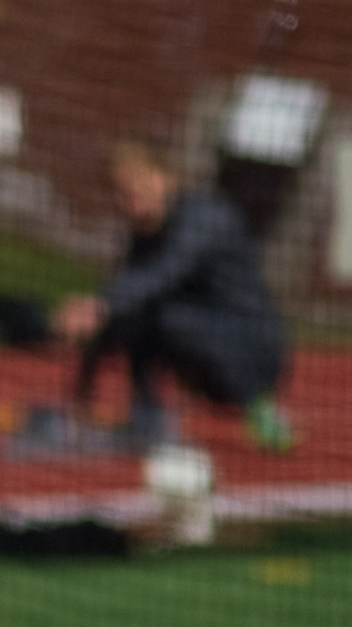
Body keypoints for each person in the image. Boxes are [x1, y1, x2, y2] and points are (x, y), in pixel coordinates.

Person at [52, 139, 293, 452]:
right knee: (132, 313)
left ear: (167, 177)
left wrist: (100, 306)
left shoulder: (204, 217)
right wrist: (80, 399)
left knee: (157, 314)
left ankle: (260, 408)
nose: (129, 196)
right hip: (199, 350)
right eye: (120, 190)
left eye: (139, 182)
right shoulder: (144, 234)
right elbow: (122, 296)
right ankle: (146, 418)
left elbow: (166, 271)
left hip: (253, 351)